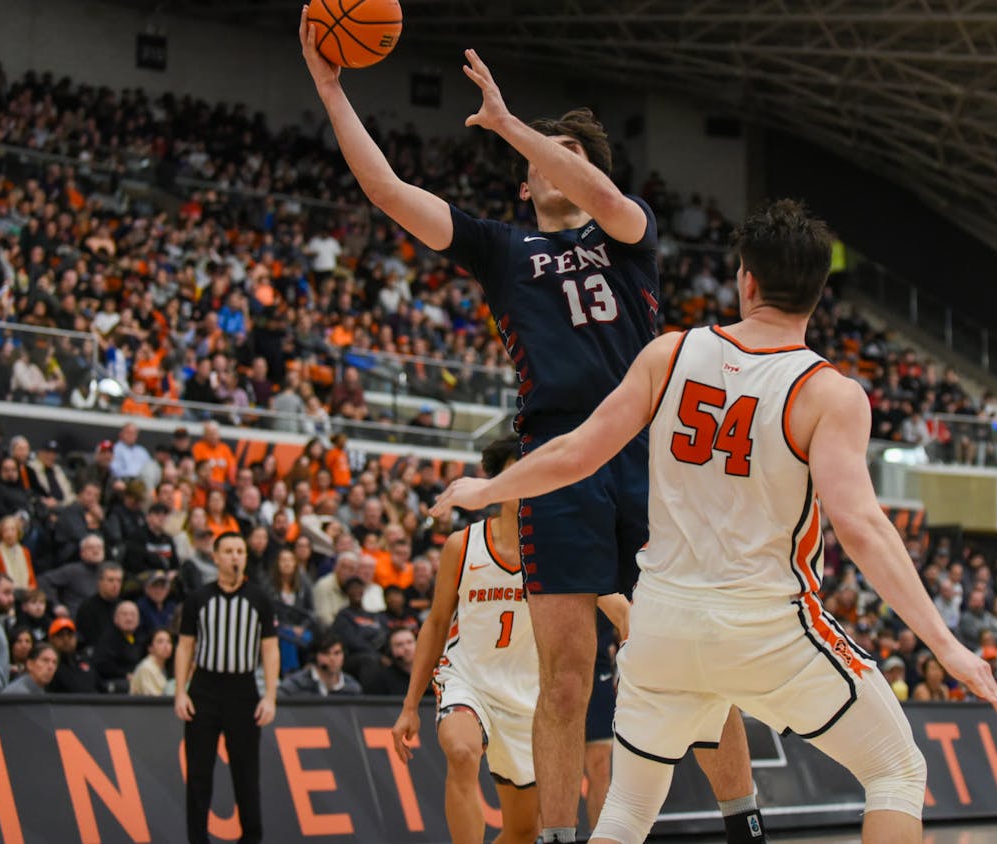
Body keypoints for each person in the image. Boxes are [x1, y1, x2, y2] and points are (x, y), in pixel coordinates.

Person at [300, 23, 762, 843]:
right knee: (567, 679)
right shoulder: (503, 250)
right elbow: (388, 191)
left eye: (569, 157)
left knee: (691, 659)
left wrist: (514, 124)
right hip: (554, 464)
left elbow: (608, 199)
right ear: (524, 187)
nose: (550, 168)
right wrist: (332, 88)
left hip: (647, 457)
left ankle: (744, 823)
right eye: (540, 161)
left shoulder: (631, 234)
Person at [433, 199, 997, 843]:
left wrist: (489, 489)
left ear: (746, 280)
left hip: (663, 629)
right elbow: (864, 528)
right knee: (897, 769)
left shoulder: (670, 353)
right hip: (766, 626)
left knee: (624, 814)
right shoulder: (830, 392)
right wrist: (947, 646)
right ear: (819, 295)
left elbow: (573, 451)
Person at [391, 437, 542, 844]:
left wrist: (623, 615)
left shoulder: (555, 550)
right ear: (496, 481)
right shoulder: (463, 545)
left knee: (524, 831)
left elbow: (606, 599)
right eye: (516, 471)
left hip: (527, 694)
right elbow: (437, 623)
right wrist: (409, 705)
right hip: (467, 680)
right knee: (460, 753)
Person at [175, 532, 279, 844]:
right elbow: (184, 648)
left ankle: (251, 838)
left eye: (240, 551)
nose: (235, 556)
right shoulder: (198, 599)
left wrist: (270, 696)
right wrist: (181, 691)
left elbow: (270, 650)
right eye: (229, 551)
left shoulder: (260, 599)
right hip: (205, 689)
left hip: (243, 690)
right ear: (216, 557)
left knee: (246, 775)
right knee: (198, 776)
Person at [280, 634, 363, 697]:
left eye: (337, 653)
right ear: (314, 656)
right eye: (326, 653)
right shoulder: (296, 684)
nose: (332, 659)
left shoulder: (352, 687)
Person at [130, 628, 175, 696]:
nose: (166, 646)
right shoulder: (146, 668)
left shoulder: (168, 667)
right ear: (150, 648)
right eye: (160, 642)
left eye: (169, 641)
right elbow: (154, 699)